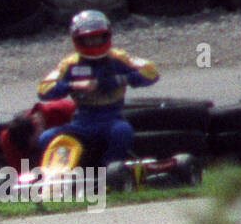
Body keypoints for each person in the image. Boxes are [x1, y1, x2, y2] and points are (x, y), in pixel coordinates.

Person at [35, 10, 158, 166]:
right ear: (78, 39)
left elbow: (151, 72)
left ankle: (108, 169)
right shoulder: (70, 64)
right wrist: (73, 85)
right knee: (46, 137)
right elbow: (43, 89)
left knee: (122, 132)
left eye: (97, 37)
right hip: (82, 121)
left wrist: (119, 79)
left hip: (112, 119)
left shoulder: (118, 58)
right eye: (88, 39)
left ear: (106, 35)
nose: (93, 42)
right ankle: (55, 173)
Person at [0, 97, 76, 172]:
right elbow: (18, 172)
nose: (36, 145)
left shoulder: (64, 109)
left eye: (35, 142)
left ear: (36, 124)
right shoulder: (9, 139)